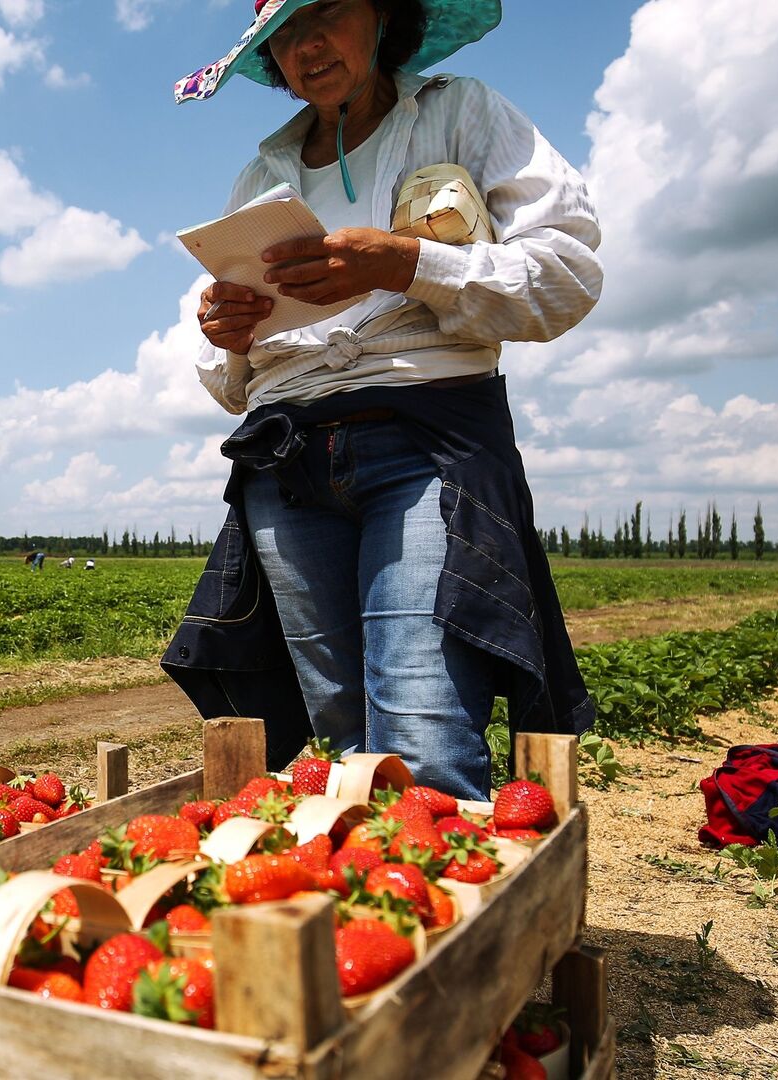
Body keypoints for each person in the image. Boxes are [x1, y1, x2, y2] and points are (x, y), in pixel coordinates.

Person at [164, 0, 599, 800]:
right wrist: (224, 331)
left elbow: (566, 276)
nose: (307, 45)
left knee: (423, 727)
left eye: (325, 13)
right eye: (284, 35)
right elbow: (218, 351)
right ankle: (382, 900)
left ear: (382, 14)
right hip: (287, 458)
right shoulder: (265, 173)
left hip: (423, 440)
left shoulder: (459, 113)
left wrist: (405, 264)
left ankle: (448, 904)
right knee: (343, 731)